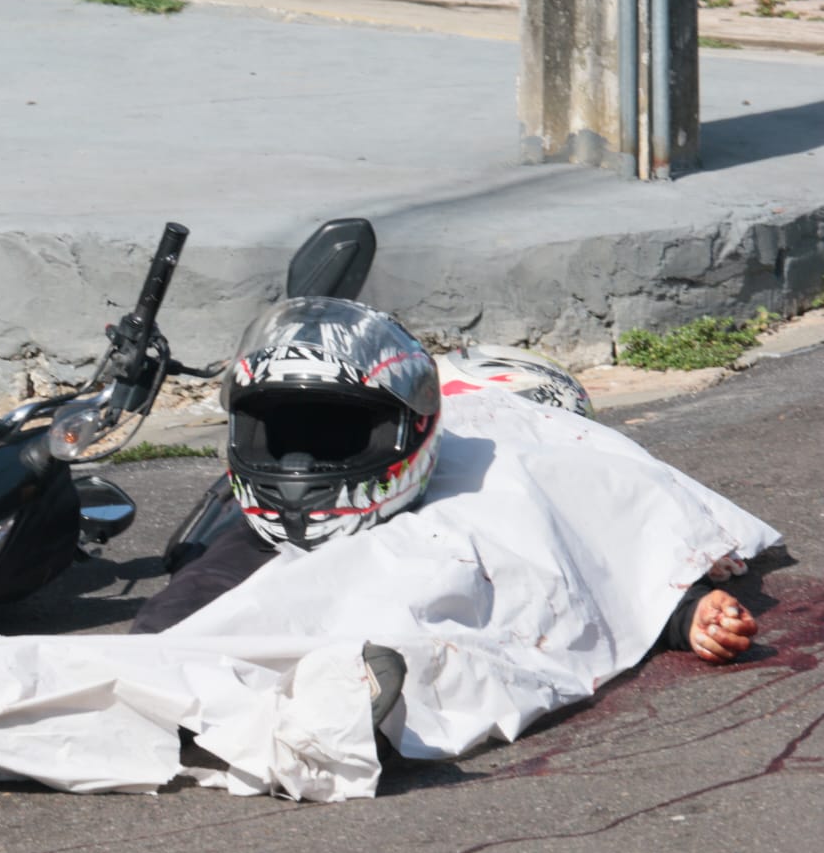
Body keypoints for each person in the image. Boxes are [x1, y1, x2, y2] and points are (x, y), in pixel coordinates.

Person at [132, 296, 760, 722]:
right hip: (244, 626)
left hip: (388, 621)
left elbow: (574, 558)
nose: (301, 464)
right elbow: (157, 641)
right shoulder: (246, 543)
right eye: (287, 434)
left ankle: (336, 708)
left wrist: (679, 607)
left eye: (331, 434)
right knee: (177, 640)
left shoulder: (496, 485)